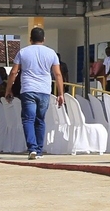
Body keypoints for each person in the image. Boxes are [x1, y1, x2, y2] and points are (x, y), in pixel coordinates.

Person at [5, 27, 65, 160]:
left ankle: (32, 148)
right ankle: (39, 150)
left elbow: (13, 72)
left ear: (30, 39)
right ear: (44, 39)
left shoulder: (23, 52)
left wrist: (8, 89)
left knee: (28, 119)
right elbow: (58, 74)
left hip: (28, 89)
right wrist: (61, 94)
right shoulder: (51, 53)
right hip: (44, 91)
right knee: (40, 120)